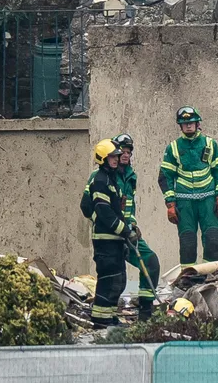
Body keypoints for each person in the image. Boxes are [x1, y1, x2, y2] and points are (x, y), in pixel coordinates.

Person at [80, 134, 160, 321]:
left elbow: (127, 207)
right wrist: (105, 223)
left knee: (149, 263)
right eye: (120, 152)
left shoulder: (129, 177)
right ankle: (103, 320)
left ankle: (145, 313)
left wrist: (131, 225)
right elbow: (88, 206)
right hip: (113, 235)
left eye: (127, 152)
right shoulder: (100, 177)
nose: (123, 155)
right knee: (112, 279)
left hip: (126, 233)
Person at [158, 106, 218, 267]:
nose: (188, 125)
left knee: (213, 239)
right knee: (187, 243)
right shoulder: (173, 148)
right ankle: (189, 280)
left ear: (198, 124)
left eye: (191, 122)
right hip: (184, 203)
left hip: (209, 200)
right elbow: (165, 177)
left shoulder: (210, 144)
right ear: (180, 126)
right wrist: (170, 204)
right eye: (184, 123)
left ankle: (209, 275)